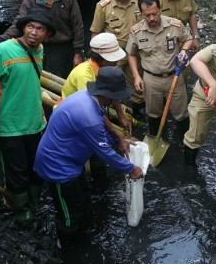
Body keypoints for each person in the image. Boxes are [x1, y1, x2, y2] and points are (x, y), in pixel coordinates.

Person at [34, 66, 144, 239]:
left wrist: (119, 138)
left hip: (71, 162)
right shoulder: (87, 116)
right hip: (57, 168)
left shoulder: (88, 97)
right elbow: (104, 153)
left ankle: (83, 236)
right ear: (108, 95)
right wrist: (131, 169)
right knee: (70, 214)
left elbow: (101, 117)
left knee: (84, 200)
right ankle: (70, 249)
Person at [0, 8, 55, 228]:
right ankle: (22, 211)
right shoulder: (2, 51)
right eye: (30, 26)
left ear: (47, 34)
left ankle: (33, 204)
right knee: (16, 170)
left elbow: (31, 83)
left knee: (36, 167)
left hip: (35, 123)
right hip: (9, 125)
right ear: (23, 28)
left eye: (40, 29)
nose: (34, 32)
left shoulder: (39, 51)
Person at [61, 32, 131, 178]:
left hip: (93, 114)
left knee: (101, 151)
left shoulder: (106, 70)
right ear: (100, 58)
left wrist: (122, 117)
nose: (116, 63)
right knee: (93, 152)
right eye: (113, 60)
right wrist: (118, 136)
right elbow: (90, 110)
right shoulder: (84, 75)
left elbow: (114, 93)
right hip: (75, 120)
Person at [126, 0, 192, 139]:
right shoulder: (137, 31)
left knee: (181, 113)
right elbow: (131, 53)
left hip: (174, 76)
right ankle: (155, 138)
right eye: (147, 15)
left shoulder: (174, 25)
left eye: (155, 14)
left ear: (160, 9)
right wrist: (137, 76)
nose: (152, 19)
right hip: (151, 79)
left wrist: (184, 51)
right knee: (153, 112)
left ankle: (186, 141)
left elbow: (188, 39)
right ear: (141, 13)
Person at [0, 0, 84, 78]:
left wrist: (78, 52)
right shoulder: (31, 0)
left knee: (62, 79)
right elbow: (18, 22)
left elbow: (78, 26)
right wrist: (1, 41)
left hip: (63, 48)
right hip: (38, 47)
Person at [89, 0, 145, 116]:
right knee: (109, 83)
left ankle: (137, 113)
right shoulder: (103, 5)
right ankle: (111, 112)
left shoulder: (139, 1)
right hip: (113, 54)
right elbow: (96, 33)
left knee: (137, 84)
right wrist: (95, 57)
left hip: (136, 52)